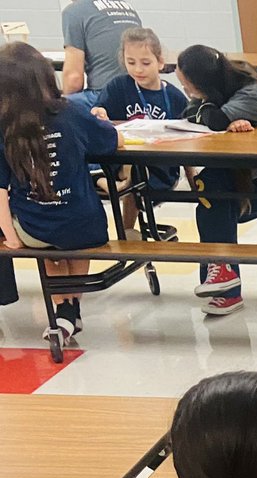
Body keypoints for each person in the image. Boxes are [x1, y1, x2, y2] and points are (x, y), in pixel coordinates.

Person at [0, 43, 118, 341]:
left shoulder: (3, 127)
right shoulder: (72, 112)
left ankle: (63, 309)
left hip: (32, 230)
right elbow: (108, 142)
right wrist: (101, 120)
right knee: (70, 239)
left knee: (50, 250)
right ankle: (71, 309)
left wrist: (12, 238)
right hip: (86, 225)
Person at [175, 45, 257, 317]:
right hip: (237, 176)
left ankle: (222, 280)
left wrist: (213, 115)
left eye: (190, 87)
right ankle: (220, 277)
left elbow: (213, 119)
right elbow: (188, 114)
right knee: (210, 190)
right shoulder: (218, 91)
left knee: (212, 192)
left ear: (204, 82)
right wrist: (208, 111)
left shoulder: (252, 90)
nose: (189, 93)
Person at [91, 27, 188, 238]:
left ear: (160, 62)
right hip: (122, 162)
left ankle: (115, 194)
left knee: (136, 176)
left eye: (145, 63)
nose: (138, 70)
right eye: (131, 62)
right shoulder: (118, 87)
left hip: (161, 168)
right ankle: (124, 225)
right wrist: (99, 113)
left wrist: (195, 181)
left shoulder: (174, 97)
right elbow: (99, 112)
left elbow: (188, 137)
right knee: (130, 171)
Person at [61, 0, 142, 108]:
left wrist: (63, 109)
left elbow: (74, 79)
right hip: (140, 94)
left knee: (52, 107)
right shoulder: (128, 8)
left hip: (103, 96)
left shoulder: (73, 11)